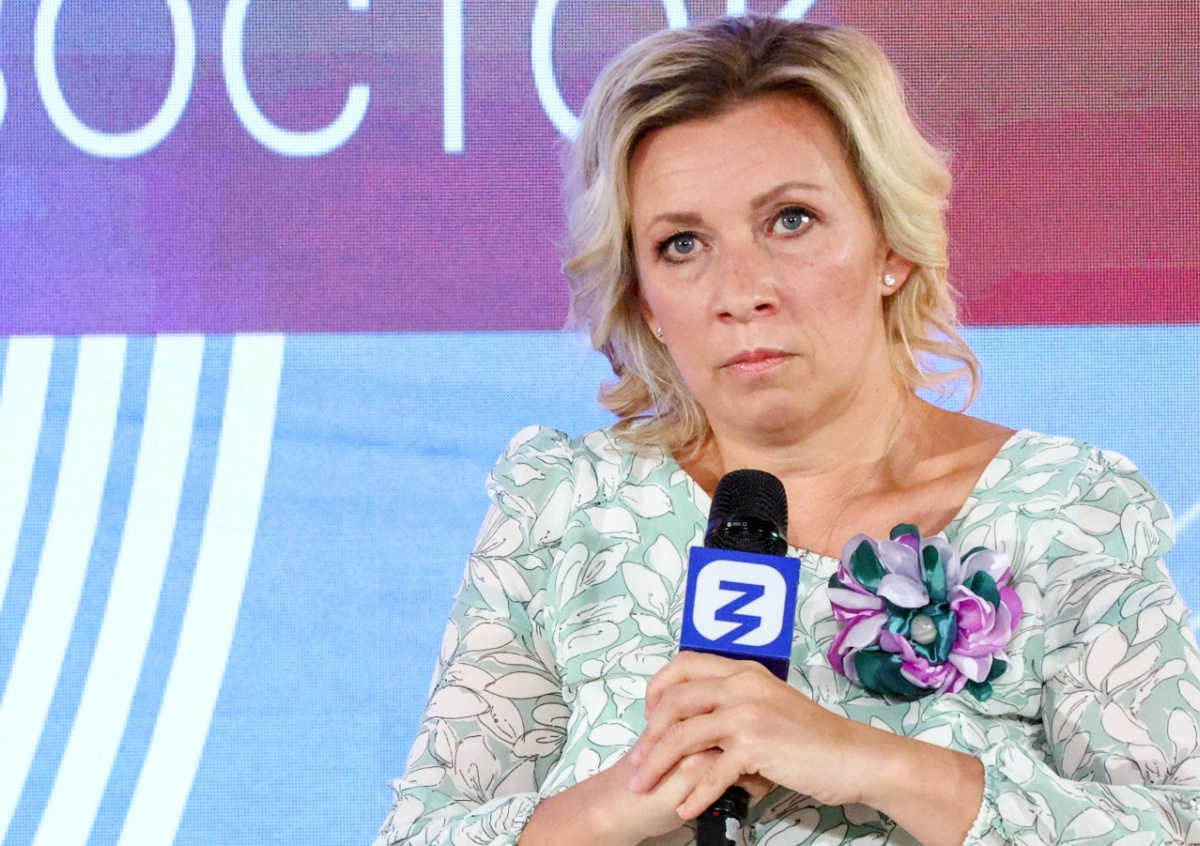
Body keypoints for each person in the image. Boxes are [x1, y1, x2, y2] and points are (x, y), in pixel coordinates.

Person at [374, 15, 1200, 846]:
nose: (741, 291)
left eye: (791, 220)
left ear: (891, 244)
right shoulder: (565, 509)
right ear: (644, 298)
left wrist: (878, 764)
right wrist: (621, 800)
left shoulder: (1063, 513)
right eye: (682, 243)